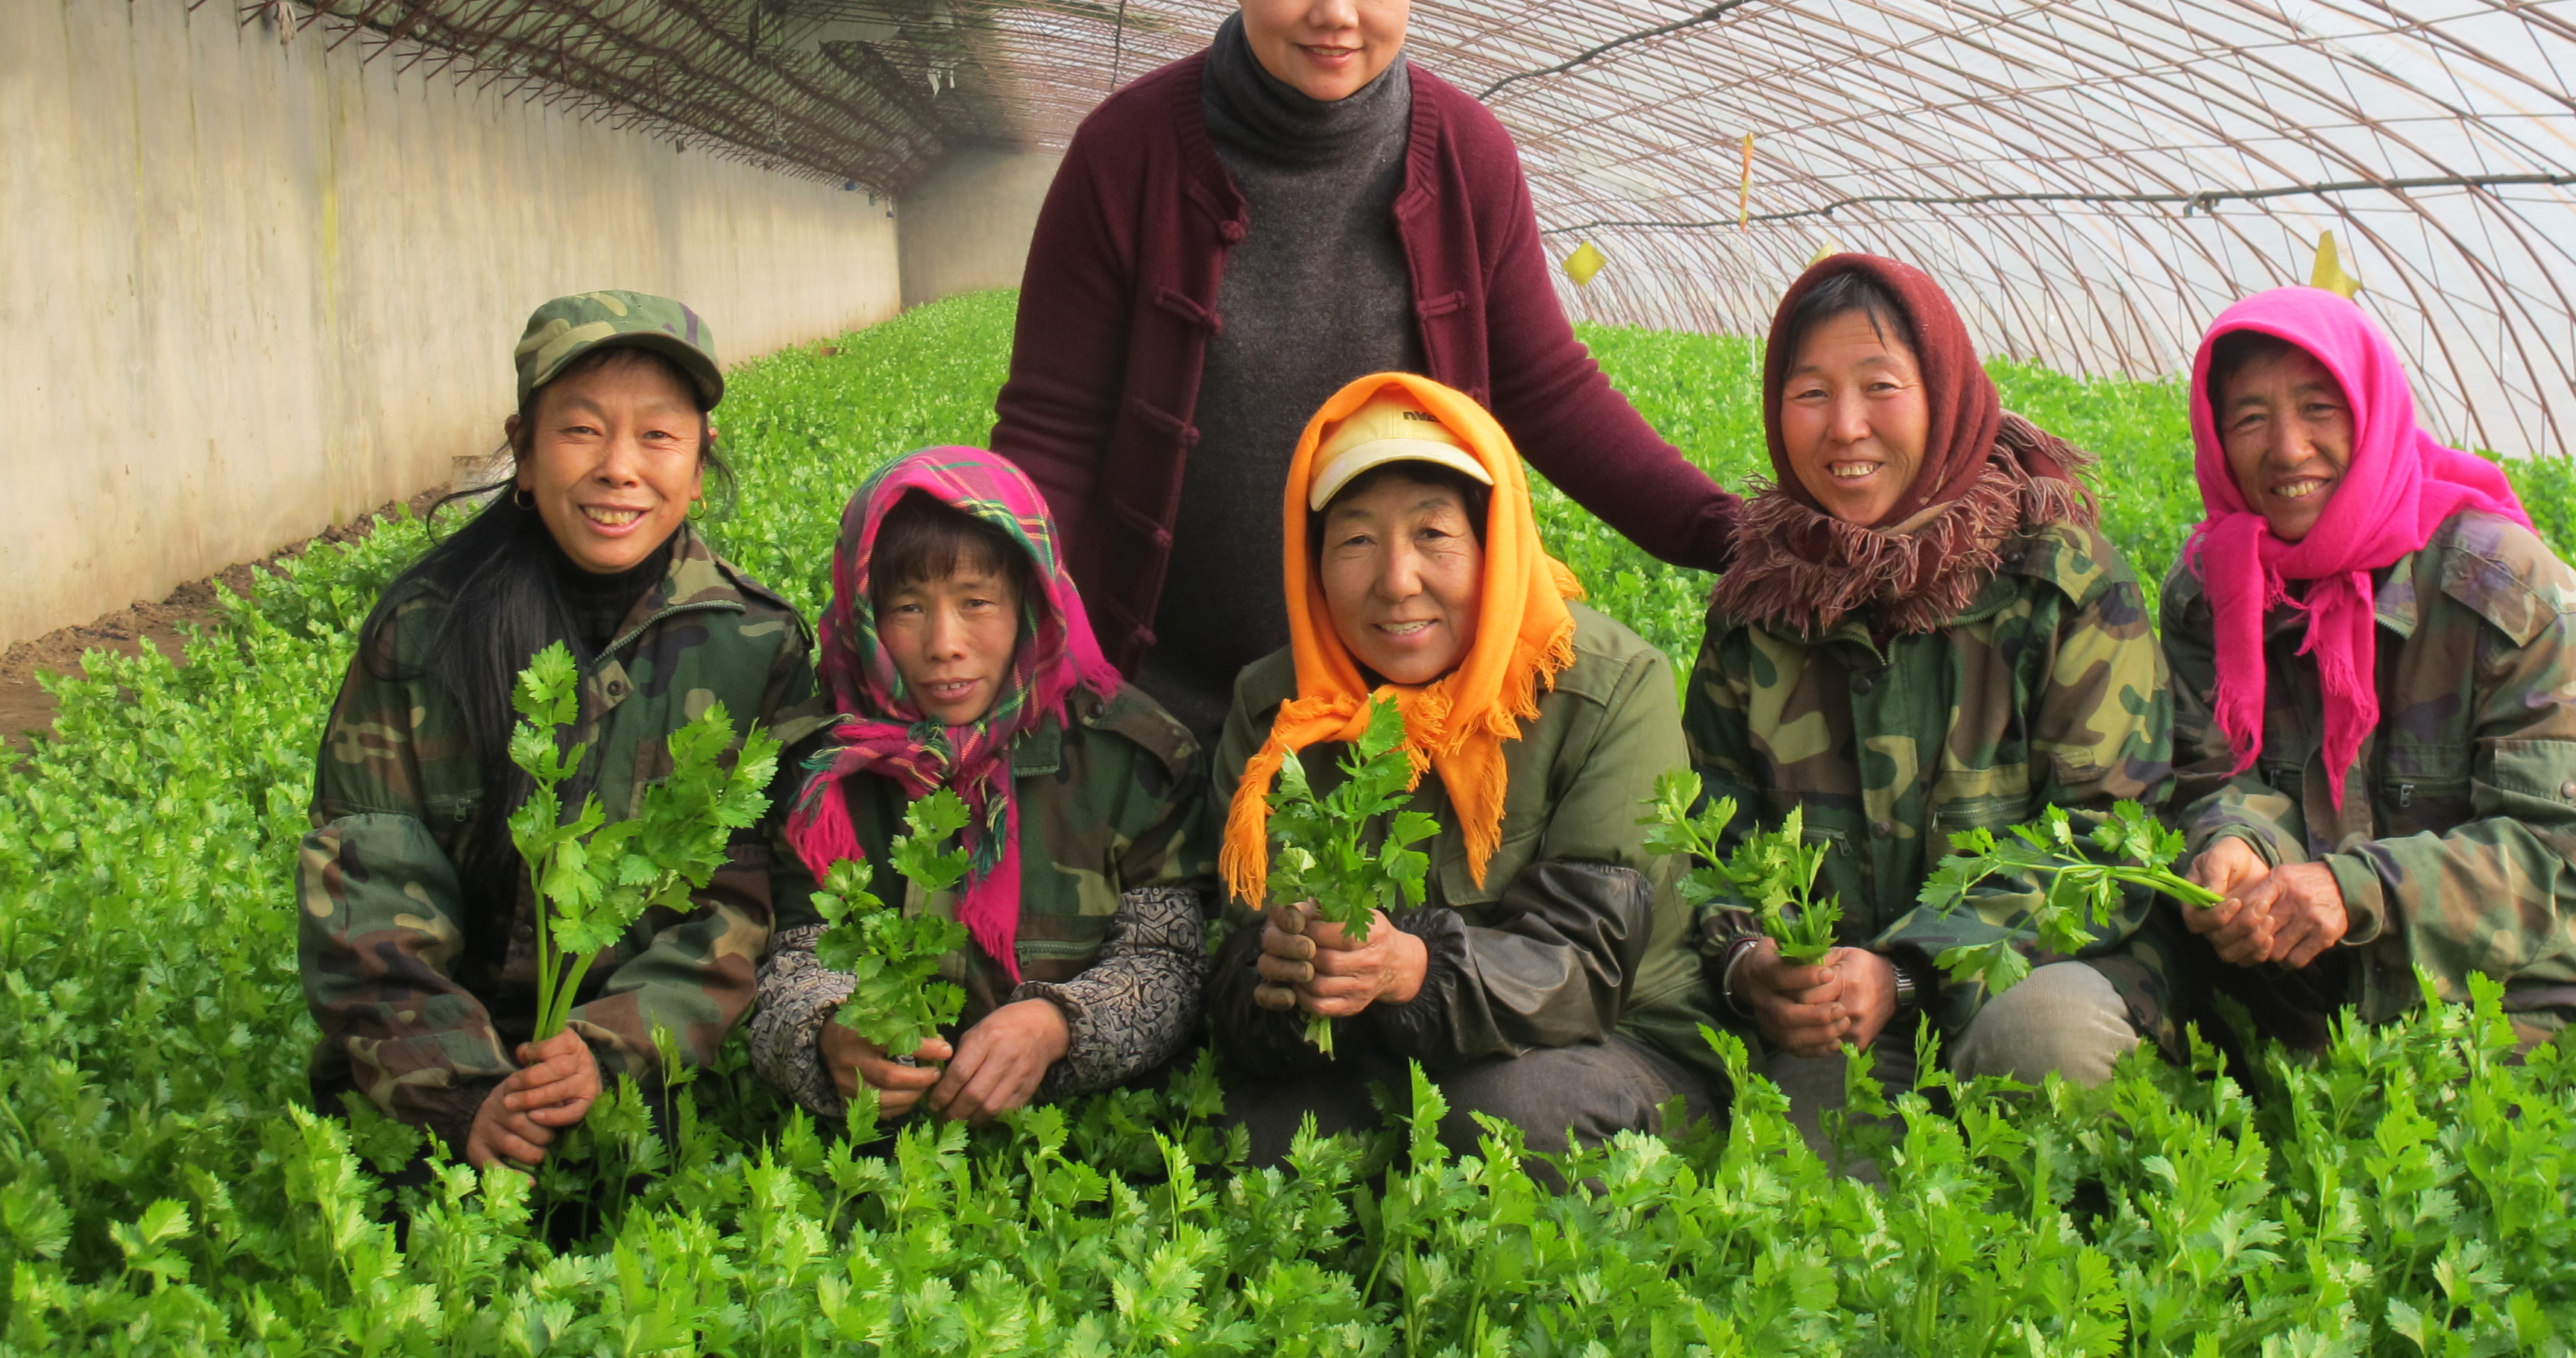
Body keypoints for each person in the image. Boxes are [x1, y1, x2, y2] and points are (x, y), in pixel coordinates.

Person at [992, 0, 1739, 748]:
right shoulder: (1126, 154)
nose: (1336, 13)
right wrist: (1001, 622)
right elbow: (1051, 430)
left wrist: (1728, 535)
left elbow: (1545, 389)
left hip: (1404, 712)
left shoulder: (1465, 155)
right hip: (1160, 710)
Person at [297, 292, 816, 1172]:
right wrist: (466, 1094)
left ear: (700, 463)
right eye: (581, 430)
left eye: (658, 436)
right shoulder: (426, 630)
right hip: (422, 1104)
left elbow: (743, 900)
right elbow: (367, 885)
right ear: (525, 453)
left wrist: (614, 1044)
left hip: (637, 1109)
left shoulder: (753, 646)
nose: (620, 468)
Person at [1687, 253, 2177, 1134]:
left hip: (2028, 978)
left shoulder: (2057, 584)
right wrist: (1756, 962)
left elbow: (2112, 840)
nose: (1845, 428)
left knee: (2047, 1048)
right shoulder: (1759, 612)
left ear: (1945, 392)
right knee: (1812, 1171)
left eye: (1880, 387)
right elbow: (1711, 831)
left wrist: (1910, 967)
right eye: (1810, 394)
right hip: (1842, 1023)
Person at [1206, 376, 1717, 1169]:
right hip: (1371, 1049)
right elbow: (1231, 954)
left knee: (1501, 1125)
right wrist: (1277, 977)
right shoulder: (1278, 710)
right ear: (1312, 560)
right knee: (1260, 1140)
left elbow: (1591, 960)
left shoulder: (1608, 687)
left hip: (1610, 1040)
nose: (1397, 580)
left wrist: (1414, 965)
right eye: (1355, 540)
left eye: (1434, 534)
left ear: (1495, 544)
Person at [2165, 288, 2576, 1046]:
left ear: (2371, 413)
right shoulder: (2216, 594)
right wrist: (2238, 844)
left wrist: (2356, 888)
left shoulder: (2507, 591)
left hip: (2533, 987)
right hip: (2321, 980)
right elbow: (2208, 773)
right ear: (2217, 438)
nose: (2288, 449)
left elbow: (2565, 852)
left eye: (2319, 408)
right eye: (2250, 418)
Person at [748, 449, 1213, 1122]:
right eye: (907, 607)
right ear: (863, 613)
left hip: (1073, 1153)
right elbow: (783, 957)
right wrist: (823, 1032)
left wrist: (1057, 1027)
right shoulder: (817, 768)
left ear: (1032, 599)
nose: (945, 643)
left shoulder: (1130, 761)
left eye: (976, 603)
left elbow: (1170, 962)